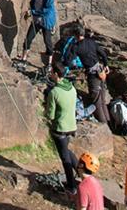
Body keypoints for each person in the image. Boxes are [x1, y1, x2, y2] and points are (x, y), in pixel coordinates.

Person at [45, 65, 79, 194]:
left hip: (60, 128)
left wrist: (45, 111)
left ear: (56, 74)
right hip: (71, 126)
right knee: (67, 150)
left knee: (65, 157)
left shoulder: (54, 92)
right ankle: (81, 172)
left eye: (52, 72)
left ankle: (72, 186)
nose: (50, 74)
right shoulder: (72, 88)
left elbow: (50, 115)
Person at [21, 0, 57, 64]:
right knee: (28, 39)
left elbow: (46, 10)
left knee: (47, 42)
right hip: (37, 19)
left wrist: (32, 12)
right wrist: (31, 10)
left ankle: (49, 64)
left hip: (46, 21)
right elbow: (32, 1)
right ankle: (23, 59)